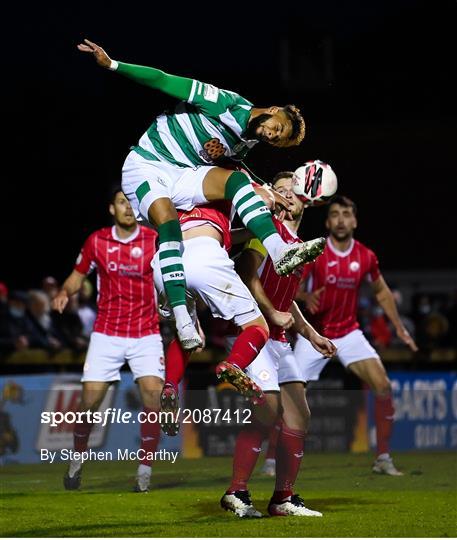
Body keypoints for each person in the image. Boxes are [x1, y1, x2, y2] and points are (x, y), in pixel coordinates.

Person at [77, 39, 325, 352]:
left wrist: (266, 188)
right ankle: (180, 313)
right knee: (167, 220)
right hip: (147, 165)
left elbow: (234, 163)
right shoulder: (225, 103)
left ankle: (277, 251)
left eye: (279, 141)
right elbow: (164, 80)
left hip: (182, 173)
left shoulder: (247, 141)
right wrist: (113, 64)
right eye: (279, 129)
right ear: (274, 111)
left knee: (236, 182)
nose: (274, 137)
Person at [221, 171, 336, 518]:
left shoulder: (298, 247)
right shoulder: (264, 233)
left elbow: (289, 303)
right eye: (280, 190)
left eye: (292, 190)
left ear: (306, 199)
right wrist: (271, 311)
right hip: (252, 331)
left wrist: (311, 333)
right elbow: (247, 273)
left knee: (299, 416)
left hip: (280, 339)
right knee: (268, 409)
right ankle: (236, 492)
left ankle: (283, 498)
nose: (287, 194)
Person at [290, 195, 418, 476]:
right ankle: (275, 461)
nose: (341, 220)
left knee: (382, 385)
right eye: (335, 214)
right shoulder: (316, 251)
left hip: (348, 333)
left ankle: (383, 458)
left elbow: (381, 291)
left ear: (355, 221)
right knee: (291, 397)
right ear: (327, 221)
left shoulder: (365, 256)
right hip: (315, 335)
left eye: (346, 214)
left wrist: (399, 327)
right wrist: (305, 296)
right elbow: (290, 286)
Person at [52, 190, 164, 493]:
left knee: (154, 399)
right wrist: (64, 292)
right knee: (88, 403)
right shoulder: (97, 241)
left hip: (146, 333)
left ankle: (144, 472)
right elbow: (78, 275)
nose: (127, 208)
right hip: (107, 333)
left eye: (131, 203)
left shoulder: (154, 239)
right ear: (111, 209)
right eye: (121, 203)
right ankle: (77, 460)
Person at [155, 184, 279, 436]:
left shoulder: (167, 180)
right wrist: (274, 200)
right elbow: (265, 200)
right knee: (257, 327)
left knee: (185, 334)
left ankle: (169, 386)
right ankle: (233, 365)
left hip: (165, 260)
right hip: (205, 252)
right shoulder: (226, 175)